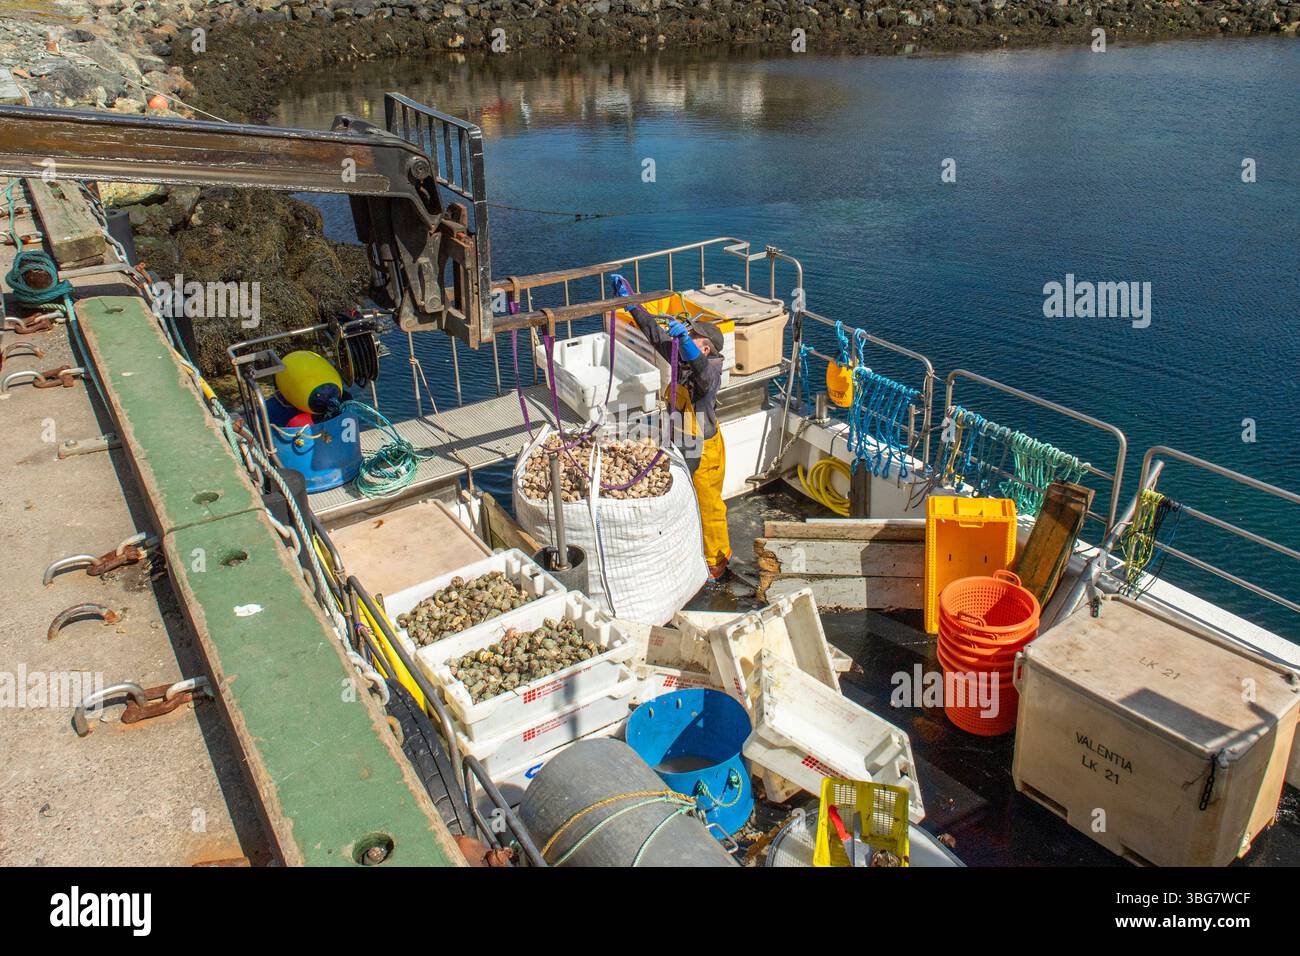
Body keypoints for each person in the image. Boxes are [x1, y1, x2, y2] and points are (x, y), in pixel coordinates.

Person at [610, 274, 731, 579]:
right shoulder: (680, 358)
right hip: (682, 440)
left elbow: (703, 375)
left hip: (705, 451)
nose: (688, 333)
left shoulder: (709, 372)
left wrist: (686, 344)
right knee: (682, 496)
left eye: (695, 336)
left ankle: (717, 565)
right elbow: (652, 331)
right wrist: (631, 299)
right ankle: (689, 551)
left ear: (705, 348)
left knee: (709, 507)